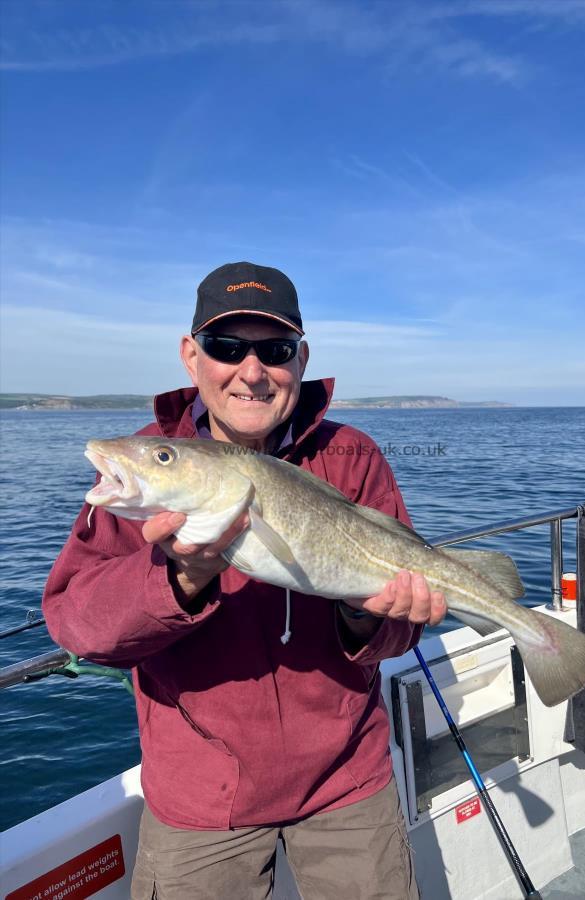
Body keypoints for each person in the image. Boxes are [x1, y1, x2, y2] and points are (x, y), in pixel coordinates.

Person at [43, 261, 447, 900]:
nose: (251, 372)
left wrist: (369, 616)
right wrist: (178, 579)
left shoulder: (354, 458)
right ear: (190, 355)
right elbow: (79, 628)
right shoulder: (147, 473)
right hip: (200, 799)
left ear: (301, 358)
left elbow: (399, 634)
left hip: (348, 782)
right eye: (227, 348)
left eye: (276, 350)